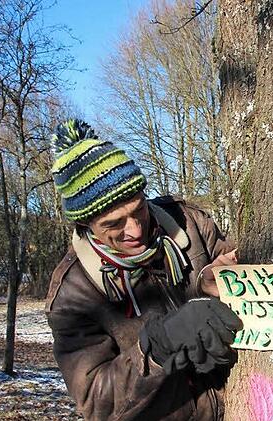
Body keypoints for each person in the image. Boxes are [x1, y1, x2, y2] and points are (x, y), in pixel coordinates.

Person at [45, 119, 242, 420]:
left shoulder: (191, 223)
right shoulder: (74, 296)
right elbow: (99, 404)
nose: (135, 230)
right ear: (86, 225)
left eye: (139, 209)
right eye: (114, 224)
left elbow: (243, 271)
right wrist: (157, 347)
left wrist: (209, 281)